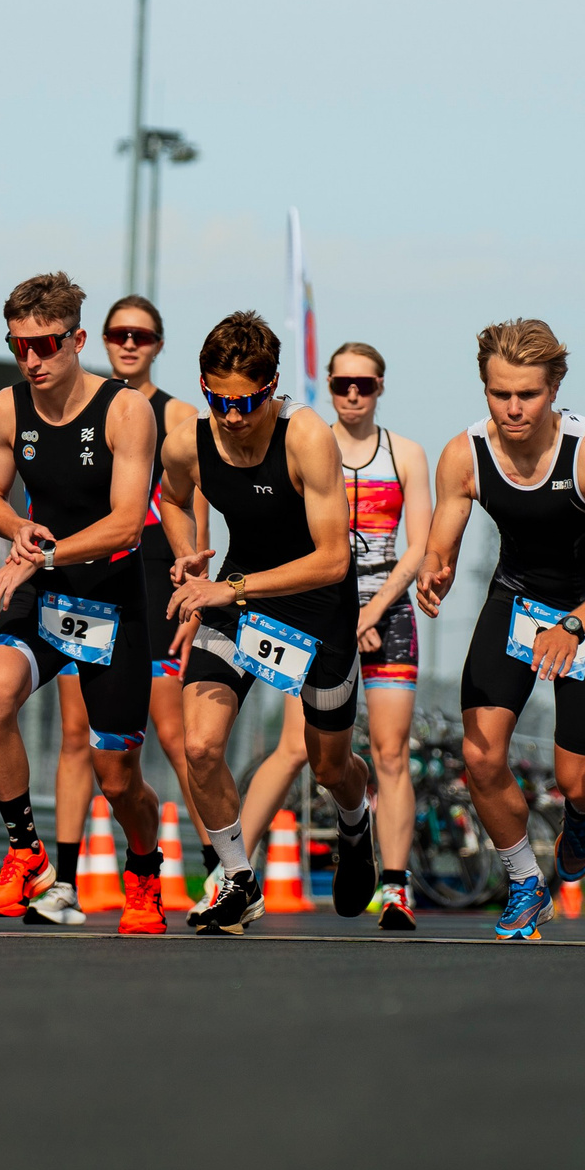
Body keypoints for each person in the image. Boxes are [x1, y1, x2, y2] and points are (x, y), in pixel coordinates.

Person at [417, 319, 585, 940]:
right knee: (479, 753)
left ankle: (583, 809)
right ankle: (525, 882)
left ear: (555, 388)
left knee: (575, 777)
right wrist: (434, 573)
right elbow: (442, 539)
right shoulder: (462, 455)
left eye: (528, 394)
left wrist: (574, 625)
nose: (513, 408)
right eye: (500, 394)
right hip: (516, 598)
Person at [159, 311, 375, 935]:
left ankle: (354, 818)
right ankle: (238, 880)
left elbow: (334, 559)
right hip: (240, 595)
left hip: (316, 604)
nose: (232, 416)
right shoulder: (187, 441)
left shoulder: (306, 436)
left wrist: (226, 587)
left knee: (329, 766)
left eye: (248, 402)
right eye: (218, 400)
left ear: (273, 385)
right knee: (199, 744)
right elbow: (172, 498)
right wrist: (185, 552)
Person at [0, 272, 171, 933]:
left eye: (45, 345)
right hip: (47, 591)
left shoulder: (124, 410)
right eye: (18, 346)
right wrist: (16, 528)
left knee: (117, 778)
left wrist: (41, 554)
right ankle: (27, 852)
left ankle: (144, 867)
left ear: (77, 339)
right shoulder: (8, 408)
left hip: (111, 601)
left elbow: (125, 521)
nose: (31, 360)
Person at [208, 343, 435, 929]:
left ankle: (395, 886)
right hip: (309, 603)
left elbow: (419, 546)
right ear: (328, 386)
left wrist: (375, 608)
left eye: (364, 384)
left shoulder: (404, 453)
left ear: (381, 386)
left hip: (383, 611)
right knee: (301, 753)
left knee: (388, 751)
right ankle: (230, 874)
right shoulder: (305, 440)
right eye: (341, 384)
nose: (353, 394)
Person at [20, 294, 204, 927]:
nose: (130, 344)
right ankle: (63, 883)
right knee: (79, 737)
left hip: (149, 577)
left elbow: (189, 504)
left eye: (143, 336)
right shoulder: (70, 404)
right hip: (81, 578)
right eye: (119, 334)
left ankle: (219, 870)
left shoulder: (173, 413)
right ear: (94, 339)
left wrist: (191, 587)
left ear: (158, 343)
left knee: (173, 738)